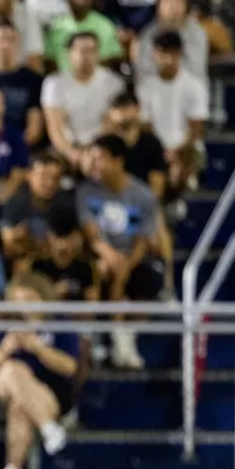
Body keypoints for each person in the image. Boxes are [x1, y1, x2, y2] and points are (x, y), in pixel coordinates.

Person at [0, 272, 81, 469]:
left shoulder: (60, 323)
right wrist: (6, 348)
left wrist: (38, 348)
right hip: (6, 386)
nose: (24, 308)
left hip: (49, 392)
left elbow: (70, 367)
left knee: (20, 407)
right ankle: (47, 427)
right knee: (12, 369)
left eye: (30, 300)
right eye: (18, 302)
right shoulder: (5, 325)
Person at [77, 133, 162, 370]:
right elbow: (91, 235)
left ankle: (126, 336)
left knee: (152, 278)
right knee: (99, 271)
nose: (93, 164)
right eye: (90, 158)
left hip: (132, 258)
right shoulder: (86, 192)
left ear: (118, 161)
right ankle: (96, 337)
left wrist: (127, 263)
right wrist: (112, 258)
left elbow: (145, 239)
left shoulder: (142, 194)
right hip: (101, 258)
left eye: (99, 159)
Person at [135, 30, 207, 199]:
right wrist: (163, 151)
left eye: (171, 53)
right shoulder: (145, 87)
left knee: (190, 155)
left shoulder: (195, 86)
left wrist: (178, 150)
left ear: (179, 54)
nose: (166, 59)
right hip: (156, 147)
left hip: (186, 147)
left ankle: (184, 192)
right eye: (161, 53)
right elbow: (146, 126)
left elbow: (196, 126)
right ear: (154, 54)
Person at [41, 32, 126, 173]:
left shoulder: (114, 83)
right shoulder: (54, 83)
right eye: (81, 51)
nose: (86, 56)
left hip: (101, 147)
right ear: (70, 54)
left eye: (92, 51)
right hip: (68, 148)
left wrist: (93, 154)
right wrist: (71, 153)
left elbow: (111, 123)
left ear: (98, 54)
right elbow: (55, 126)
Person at [44, 0, 122, 73]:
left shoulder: (104, 25)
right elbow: (50, 60)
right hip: (63, 82)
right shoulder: (56, 25)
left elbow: (111, 59)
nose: (80, 0)